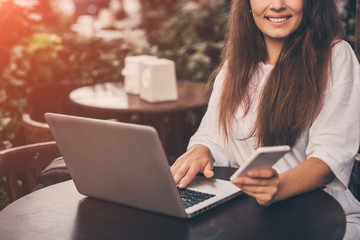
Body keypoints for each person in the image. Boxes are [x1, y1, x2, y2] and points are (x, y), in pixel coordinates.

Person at [170, 0, 360, 239]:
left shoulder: (335, 56)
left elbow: (329, 157)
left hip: (320, 217)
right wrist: (201, 149)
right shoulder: (234, 68)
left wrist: (278, 186)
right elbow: (213, 136)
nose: (277, 5)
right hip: (247, 214)